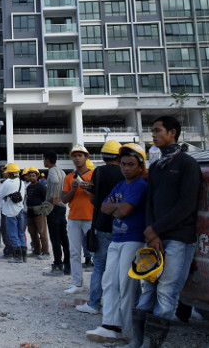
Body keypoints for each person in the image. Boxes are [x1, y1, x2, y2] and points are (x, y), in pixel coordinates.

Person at [131, 116, 202, 348]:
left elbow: (187, 205)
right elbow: (150, 202)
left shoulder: (187, 164)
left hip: (179, 239)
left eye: (157, 130)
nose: (153, 135)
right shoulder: (157, 166)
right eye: (152, 131)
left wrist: (155, 229)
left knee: (167, 291)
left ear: (172, 133)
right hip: (155, 239)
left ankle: (151, 345)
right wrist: (152, 233)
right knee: (148, 288)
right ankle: (137, 343)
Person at [86, 143, 149, 343]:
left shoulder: (140, 185)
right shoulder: (120, 185)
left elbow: (123, 211)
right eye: (123, 164)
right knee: (109, 281)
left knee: (126, 284)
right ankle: (110, 324)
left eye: (131, 164)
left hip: (133, 239)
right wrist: (117, 207)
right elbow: (104, 206)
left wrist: (116, 207)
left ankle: (129, 330)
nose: (126, 168)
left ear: (140, 167)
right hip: (117, 238)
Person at [77, 140, 124, 315]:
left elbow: (92, 199)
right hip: (122, 226)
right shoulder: (125, 171)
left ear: (103, 156)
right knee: (121, 268)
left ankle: (94, 303)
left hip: (102, 224)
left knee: (99, 266)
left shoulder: (99, 172)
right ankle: (120, 306)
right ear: (119, 155)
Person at [61, 145, 94, 294]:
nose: (77, 158)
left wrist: (88, 189)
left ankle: (97, 284)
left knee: (96, 253)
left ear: (86, 157)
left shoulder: (94, 175)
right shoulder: (69, 178)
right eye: (74, 156)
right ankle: (77, 283)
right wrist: (73, 189)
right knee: (74, 252)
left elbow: (99, 196)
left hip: (90, 218)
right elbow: (64, 199)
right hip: (74, 218)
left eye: (80, 155)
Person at [43, 150, 70, 276]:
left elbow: (53, 181)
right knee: (64, 237)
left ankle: (58, 265)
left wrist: (53, 195)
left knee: (55, 238)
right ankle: (68, 265)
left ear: (48, 160)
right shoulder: (62, 172)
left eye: (44, 159)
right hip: (62, 207)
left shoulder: (52, 171)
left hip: (54, 207)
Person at [0, 163, 26, 263]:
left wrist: (5, 197)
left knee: (13, 235)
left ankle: (17, 257)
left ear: (10, 173)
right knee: (21, 234)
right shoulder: (21, 182)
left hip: (10, 212)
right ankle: (24, 256)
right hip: (20, 210)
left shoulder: (8, 183)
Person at [24, 167, 50, 260]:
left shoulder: (41, 187)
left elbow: (46, 200)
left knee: (42, 232)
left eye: (33, 176)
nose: (31, 177)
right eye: (30, 176)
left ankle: (45, 251)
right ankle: (37, 250)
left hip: (39, 213)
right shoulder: (29, 187)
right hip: (30, 212)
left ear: (37, 176)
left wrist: (42, 210)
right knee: (32, 232)